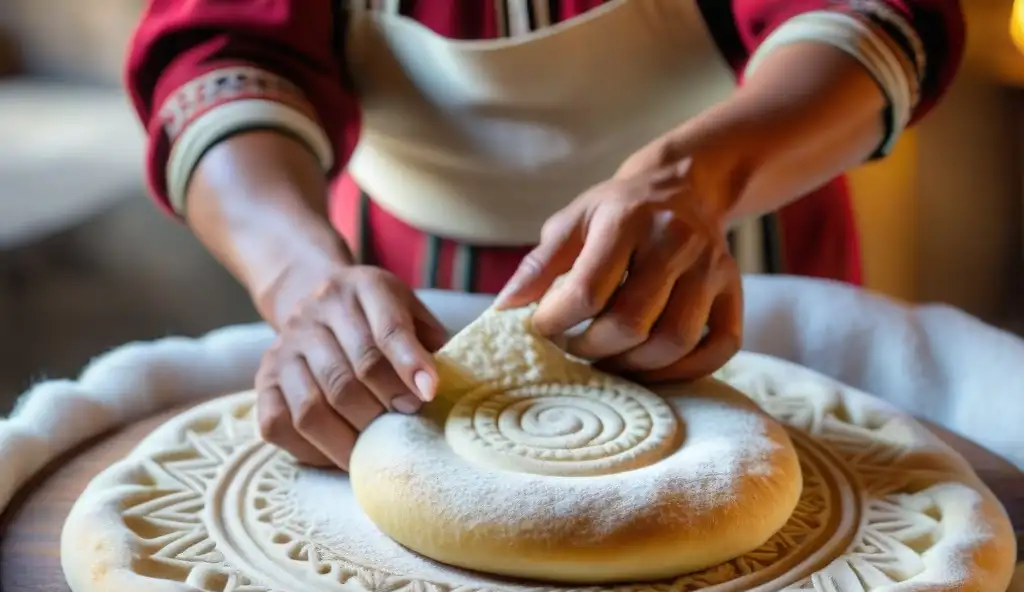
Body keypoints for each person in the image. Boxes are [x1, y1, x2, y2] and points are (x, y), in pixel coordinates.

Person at [126, 0, 964, 470]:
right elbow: (220, 52)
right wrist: (303, 282)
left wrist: (698, 181)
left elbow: (876, 15)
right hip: (408, 296)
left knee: (787, 493)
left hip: (743, 256)